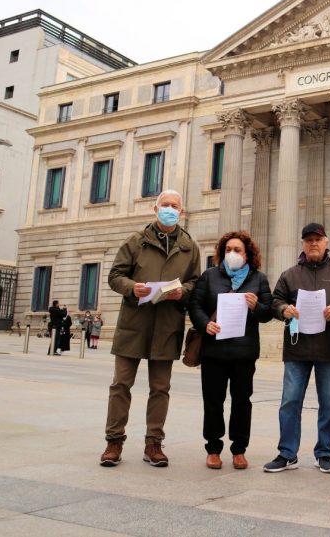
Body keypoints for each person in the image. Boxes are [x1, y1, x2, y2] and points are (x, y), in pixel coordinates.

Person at [100, 189, 201, 468]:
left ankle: (153, 443)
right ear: (155, 209)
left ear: (181, 212)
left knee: (160, 388)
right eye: (165, 205)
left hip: (167, 324)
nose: (170, 209)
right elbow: (114, 276)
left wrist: (184, 292)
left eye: (175, 206)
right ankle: (114, 441)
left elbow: (196, 282)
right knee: (121, 384)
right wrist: (134, 288)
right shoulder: (136, 241)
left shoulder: (190, 246)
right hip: (135, 322)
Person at [263, 223, 330, 475]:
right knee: (290, 401)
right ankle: (287, 453)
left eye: (318, 239)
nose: (313, 243)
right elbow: (275, 301)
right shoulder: (290, 274)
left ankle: (324, 453)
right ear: (303, 244)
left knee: (329, 403)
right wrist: (284, 309)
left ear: (327, 241)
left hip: (329, 347)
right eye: (308, 240)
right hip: (297, 348)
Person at [188, 230, 272, 470]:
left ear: (248, 254)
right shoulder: (209, 276)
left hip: (243, 353)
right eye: (228, 250)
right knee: (213, 400)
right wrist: (205, 324)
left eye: (237, 250)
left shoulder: (259, 279)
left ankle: (239, 449)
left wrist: (257, 306)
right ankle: (213, 448)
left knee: (242, 401)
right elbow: (195, 305)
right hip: (214, 351)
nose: (232, 254)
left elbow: (267, 314)